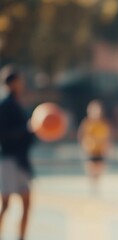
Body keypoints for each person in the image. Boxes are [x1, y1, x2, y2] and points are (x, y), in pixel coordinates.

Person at [0, 65, 35, 240]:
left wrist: (34, 131)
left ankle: (21, 237)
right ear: (12, 83)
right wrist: (26, 129)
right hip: (9, 160)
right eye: (19, 81)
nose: (22, 84)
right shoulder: (5, 105)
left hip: (20, 160)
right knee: (6, 204)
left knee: (27, 203)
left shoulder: (19, 103)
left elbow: (26, 134)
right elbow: (4, 134)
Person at [77, 99, 112, 194]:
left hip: (100, 149)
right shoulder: (87, 123)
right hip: (90, 149)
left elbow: (107, 136)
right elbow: (81, 134)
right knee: (91, 168)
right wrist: (83, 145)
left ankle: (96, 184)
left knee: (99, 168)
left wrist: (108, 147)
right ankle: (92, 185)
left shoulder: (103, 124)